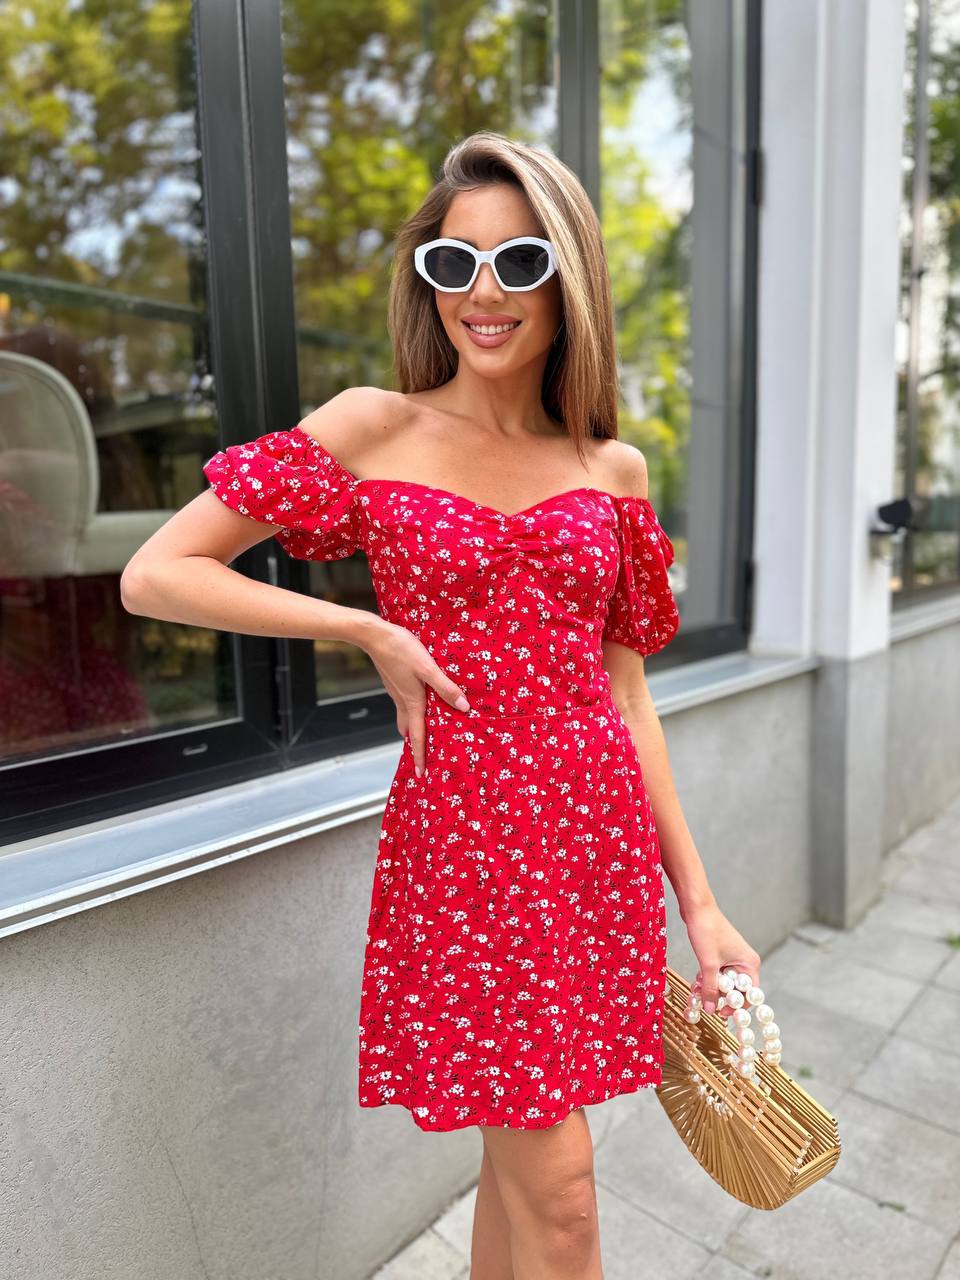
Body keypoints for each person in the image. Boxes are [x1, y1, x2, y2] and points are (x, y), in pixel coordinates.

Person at [121, 130, 762, 1280]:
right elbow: (161, 571)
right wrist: (363, 626)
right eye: (452, 263)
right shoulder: (377, 426)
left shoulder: (612, 469)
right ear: (426, 279)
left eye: (518, 263)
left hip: (588, 841)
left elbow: (629, 697)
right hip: (465, 845)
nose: (482, 292)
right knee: (564, 1198)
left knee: (521, 1177)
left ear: (568, 279)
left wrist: (702, 905)